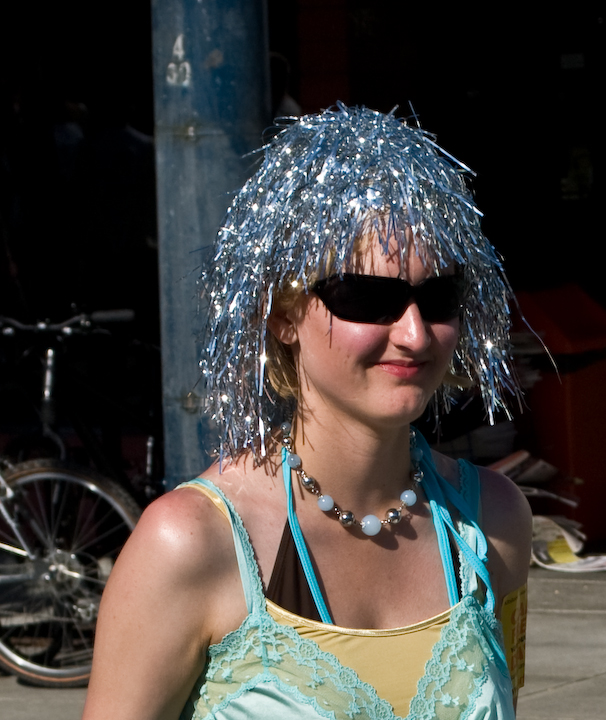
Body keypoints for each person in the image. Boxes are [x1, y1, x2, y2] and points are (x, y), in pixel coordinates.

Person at [82, 104, 532, 720]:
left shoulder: (496, 523)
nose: (415, 334)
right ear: (285, 316)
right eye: (368, 298)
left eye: (438, 297)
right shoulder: (190, 543)